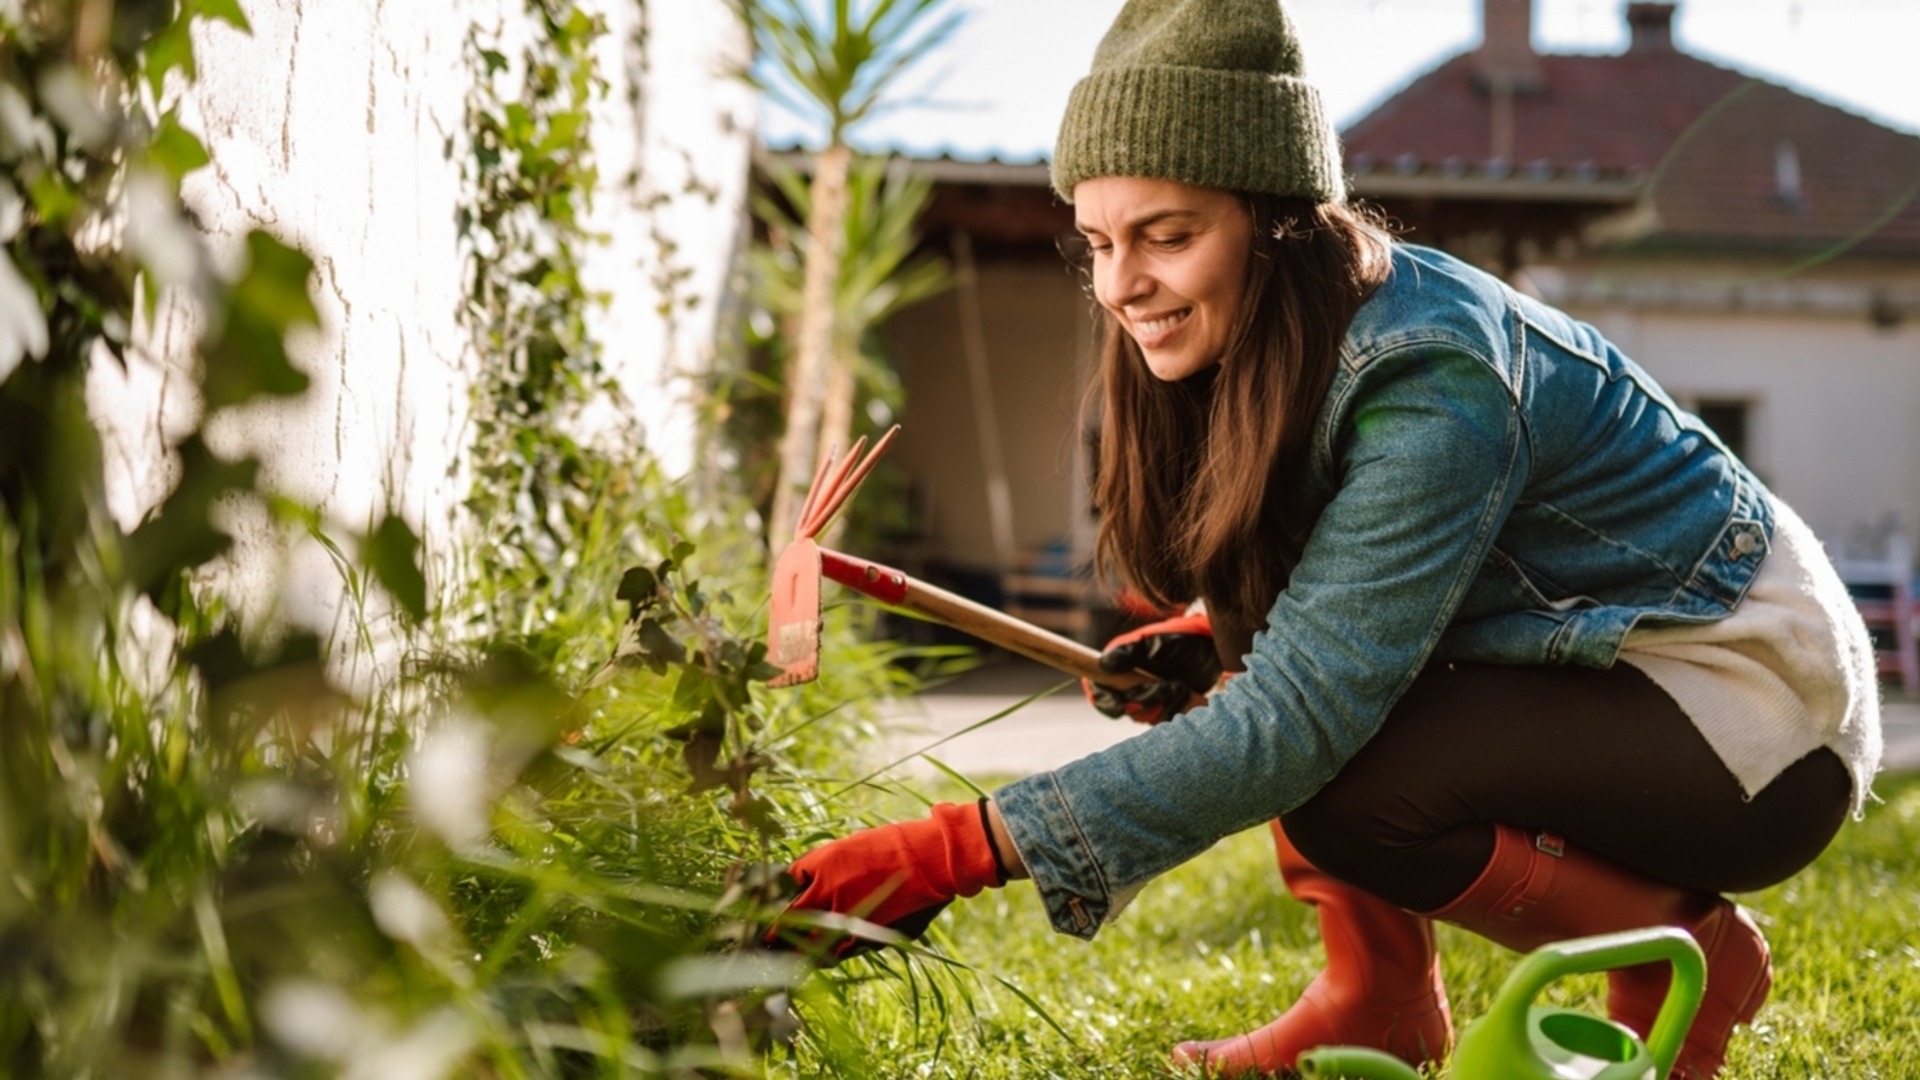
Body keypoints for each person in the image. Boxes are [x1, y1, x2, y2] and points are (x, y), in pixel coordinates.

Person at [767, 1, 1884, 1077]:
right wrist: (1214, 635)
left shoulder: (1432, 377)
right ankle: (1381, 1002)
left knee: (1340, 781)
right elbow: (1342, 604)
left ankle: (1681, 950)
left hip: (1750, 713)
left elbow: (1299, 718)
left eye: (1167, 237)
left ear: (1278, 219)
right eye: (1097, 241)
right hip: (1610, 667)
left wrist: (941, 856)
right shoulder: (1266, 345)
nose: (1121, 285)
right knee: (1266, 640)